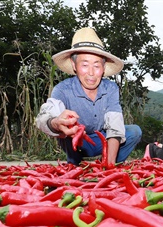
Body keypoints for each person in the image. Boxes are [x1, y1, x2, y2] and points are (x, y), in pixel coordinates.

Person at [36, 27, 142, 166]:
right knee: (68, 129)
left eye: (97, 66)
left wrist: (108, 167)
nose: (91, 73)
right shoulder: (62, 89)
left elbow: (115, 126)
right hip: (78, 142)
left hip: (102, 139)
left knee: (134, 131)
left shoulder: (110, 88)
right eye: (85, 65)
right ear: (74, 65)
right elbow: (44, 118)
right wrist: (56, 122)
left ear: (103, 68)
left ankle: (112, 162)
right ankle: (73, 163)